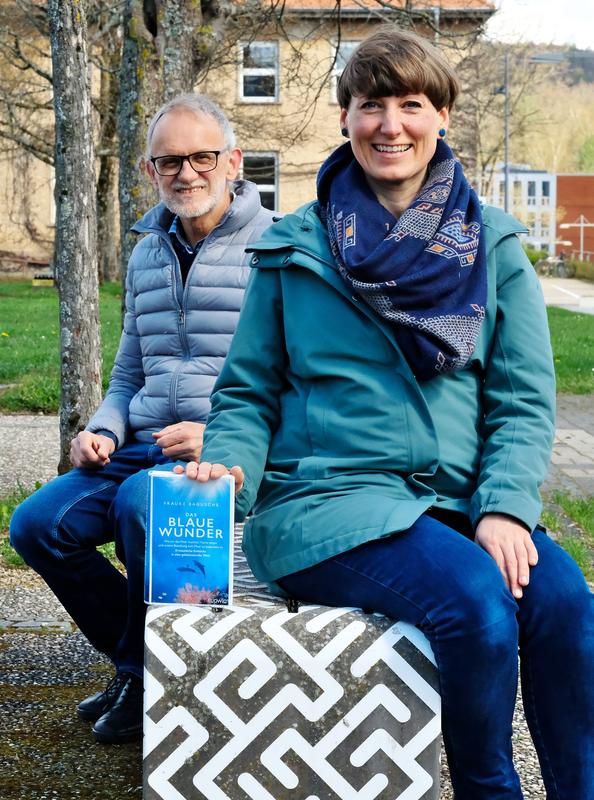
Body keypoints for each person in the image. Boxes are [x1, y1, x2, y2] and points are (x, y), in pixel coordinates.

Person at [178, 30, 594, 799]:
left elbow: (523, 401)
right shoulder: (293, 249)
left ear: (442, 117)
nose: (391, 125)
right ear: (346, 119)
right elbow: (246, 392)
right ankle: (486, 788)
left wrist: (504, 507)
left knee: (567, 605)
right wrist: (231, 461)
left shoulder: (493, 245)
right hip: (329, 503)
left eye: (412, 104)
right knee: (473, 601)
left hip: (459, 501)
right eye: (371, 105)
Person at [9, 93, 275, 745]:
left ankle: (141, 671)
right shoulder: (146, 251)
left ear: (233, 161)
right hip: (144, 445)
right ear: (151, 171)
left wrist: (223, 433)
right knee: (36, 525)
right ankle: (146, 661)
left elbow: (299, 380)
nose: (185, 172)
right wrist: (103, 428)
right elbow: (130, 373)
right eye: (168, 162)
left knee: (141, 504)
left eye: (201, 157)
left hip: (228, 452)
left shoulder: (279, 249)